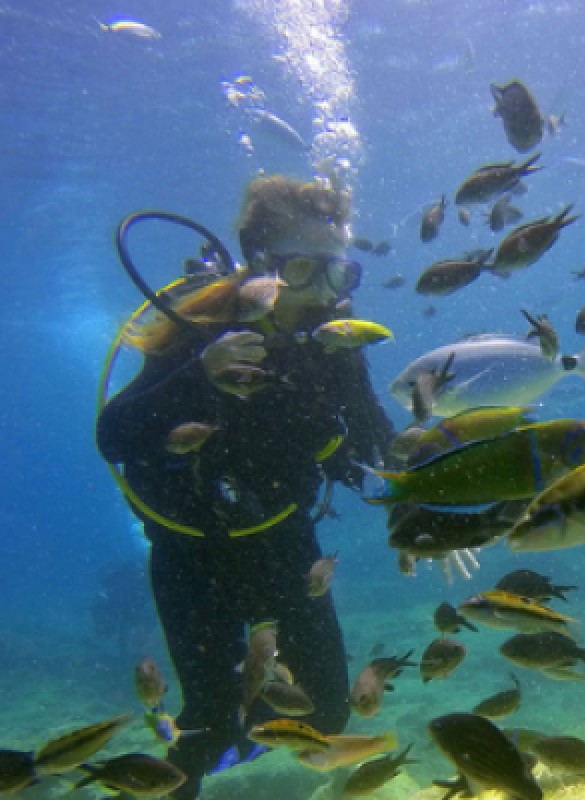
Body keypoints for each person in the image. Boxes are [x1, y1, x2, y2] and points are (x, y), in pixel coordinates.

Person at [97, 175, 394, 799]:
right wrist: (195, 375)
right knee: (205, 729)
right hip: (192, 552)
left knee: (328, 715)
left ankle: (252, 730)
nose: (321, 293)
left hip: (285, 538)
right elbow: (115, 436)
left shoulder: (335, 341)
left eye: (338, 274)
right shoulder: (201, 330)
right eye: (303, 268)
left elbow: (372, 445)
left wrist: (424, 512)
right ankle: (224, 743)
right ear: (258, 265)